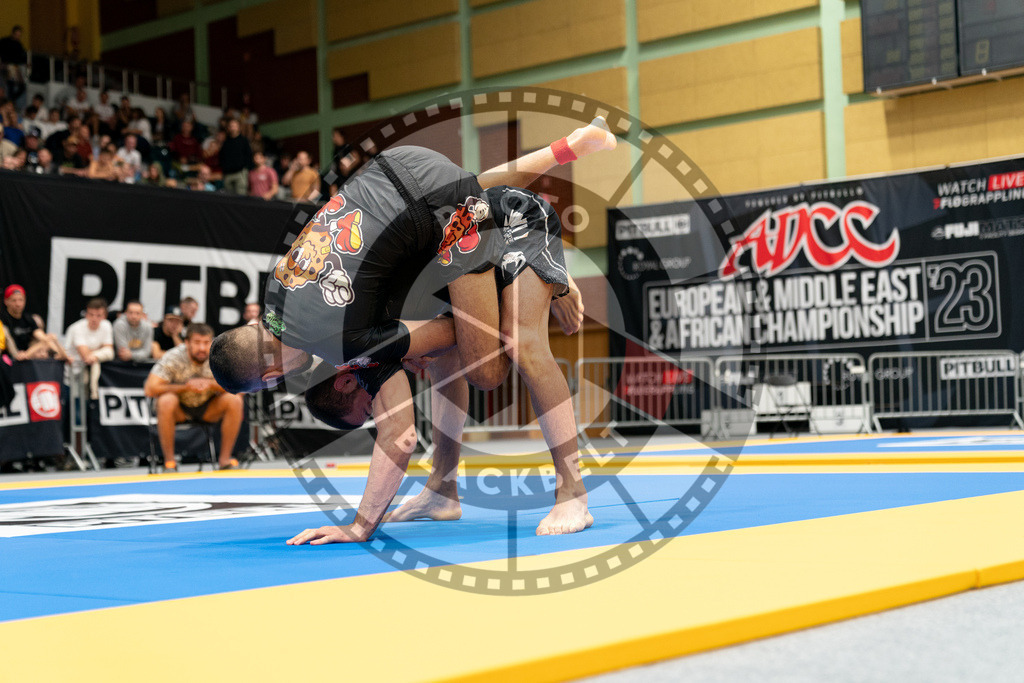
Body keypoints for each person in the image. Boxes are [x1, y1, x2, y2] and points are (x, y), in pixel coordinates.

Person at [212, 118, 615, 538]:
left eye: (269, 385)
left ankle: (572, 492)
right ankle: (441, 489)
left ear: (270, 375)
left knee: (502, 358)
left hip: (494, 222)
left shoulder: (341, 343)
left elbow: (401, 434)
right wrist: (414, 346)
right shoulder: (276, 286)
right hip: (396, 168)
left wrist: (360, 527)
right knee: (461, 212)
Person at [293, 185, 590, 543]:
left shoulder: (363, 335)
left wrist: (555, 283)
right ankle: (442, 489)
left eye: (368, 408)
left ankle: (573, 491)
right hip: (457, 261)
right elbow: (457, 333)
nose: (379, 410)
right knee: (445, 361)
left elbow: (462, 332)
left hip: (505, 219)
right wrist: (429, 348)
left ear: (345, 380)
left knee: (521, 340)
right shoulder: (366, 345)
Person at [144, 323, 243, 472]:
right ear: (187, 342)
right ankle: (169, 462)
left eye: (206, 342)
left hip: (208, 407)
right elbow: (150, 388)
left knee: (235, 400)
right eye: (197, 342)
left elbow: (240, 388)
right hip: (179, 409)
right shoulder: (173, 356)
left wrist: (210, 384)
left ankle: (225, 461)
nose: (202, 348)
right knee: (166, 400)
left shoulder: (220, 356)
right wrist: (185, 387)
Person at [65, 298, 115, 400]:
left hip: (89, 370)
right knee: (77, 403)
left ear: (104, 316)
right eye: (91, 314)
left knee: (98, 358)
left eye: (98, 315)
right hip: (73, 372)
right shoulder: (77, 328)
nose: (94, 319)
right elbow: (85, 355)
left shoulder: (107, 325)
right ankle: (93, 394)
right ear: (86, 314)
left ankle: (94, 394)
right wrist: (99, 351)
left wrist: (94, 355)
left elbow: (109, 349)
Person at [1, 284, 67, 360]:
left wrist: (56, 345)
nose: (18, 304)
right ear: (6, 301)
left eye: (20, 300)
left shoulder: (28, 318)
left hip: (28, 356)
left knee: (46, 340)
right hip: (10, 357)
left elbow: (43, 337)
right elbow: (8, 341)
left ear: (25, 300)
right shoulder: (3, 319)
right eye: (14, 300)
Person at [220, 118, 252, 195]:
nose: (233, 128)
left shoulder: (244, 141)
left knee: (241, 197)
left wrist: (245, 168)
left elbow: (249, 156)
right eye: (231, 126)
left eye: (235, 126)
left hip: (240, 173)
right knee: (228, 197)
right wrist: (225, 169)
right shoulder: (226, 143)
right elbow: (222, 157)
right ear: (228, 128)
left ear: (239, 127)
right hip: (228, 174)